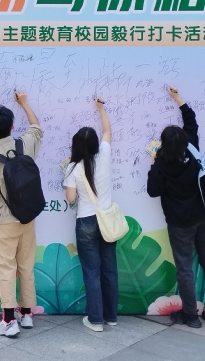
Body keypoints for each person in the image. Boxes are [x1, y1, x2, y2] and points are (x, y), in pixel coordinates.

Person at [147, 86, 205, 328]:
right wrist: (178, 98)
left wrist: (153, 163)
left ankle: (190, 315)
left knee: (184, 267)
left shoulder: (162, 165)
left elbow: (153, 191)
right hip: (202, 216)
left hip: (180, 223)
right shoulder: (192, 148)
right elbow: (191, 122)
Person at [0, 91, 43, 337]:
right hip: (27, 216)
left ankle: (8, 320)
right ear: (12, 126)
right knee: (26, 265)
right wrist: (24, 103)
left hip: (4, 220)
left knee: (6, 268)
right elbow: (36, 128)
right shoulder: (24, 145)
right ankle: (26, 314)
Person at [64, 97, 118, 331]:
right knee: (109, 270)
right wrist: (101, 109)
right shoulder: (104, 155)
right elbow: (107, 131)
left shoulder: (73, 168)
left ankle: (95, 319)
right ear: (95, 145)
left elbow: (70, 198)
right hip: (106, 220)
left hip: (86, 221)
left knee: (92, 271)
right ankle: (111, 316)